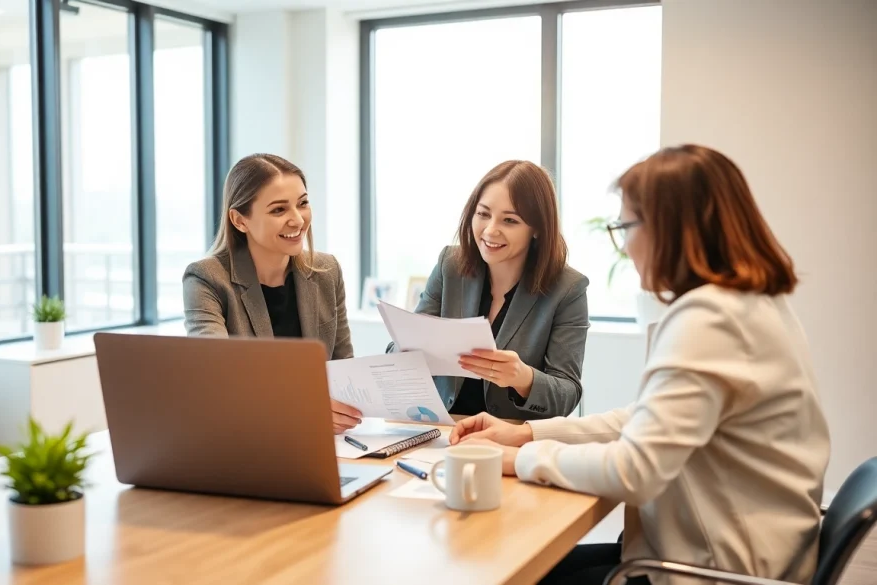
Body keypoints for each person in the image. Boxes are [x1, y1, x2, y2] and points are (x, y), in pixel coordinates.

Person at [449, 145, 831, 585]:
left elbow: (634, 471)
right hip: (734, 548)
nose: (626, 245)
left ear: (671, 229)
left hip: (716, 569)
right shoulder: (749, 305)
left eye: (626, 226)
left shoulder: (711, 318)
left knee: (509, 569)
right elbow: (645, 419)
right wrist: (527, 432)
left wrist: (518, 458)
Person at [391, 160, 589, 421]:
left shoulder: (568, 289)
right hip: (443, 431)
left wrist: (523, 377)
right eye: (483, 214)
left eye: (510, 220)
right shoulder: (450, 266)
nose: (490, 230)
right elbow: (401, 349)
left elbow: (568, 393)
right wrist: (405, 352)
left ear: (538, 229)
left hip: (511, 438)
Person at [183, 153, 362, 434]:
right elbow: (217, 375)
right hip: (247, 437)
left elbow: (343, 368)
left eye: (302, 204)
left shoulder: (327, 270)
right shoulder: (206, 279)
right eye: (279, 210)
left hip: (325, 440)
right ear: (240, 220)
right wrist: (307, 409)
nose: (297, 220)